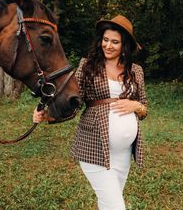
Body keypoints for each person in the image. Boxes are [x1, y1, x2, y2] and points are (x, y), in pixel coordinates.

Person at [33, 15, 148, 210]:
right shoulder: (88, 66)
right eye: (105, 40)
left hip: (123, 153)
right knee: (116, 207)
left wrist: (136, 106)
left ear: (124, 45)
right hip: (94, 148)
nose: (108, 45)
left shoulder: (135, 70)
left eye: (115, 42)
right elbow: (74, 102)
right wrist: (50, 115)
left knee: (109, 202)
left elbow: (144, 106)